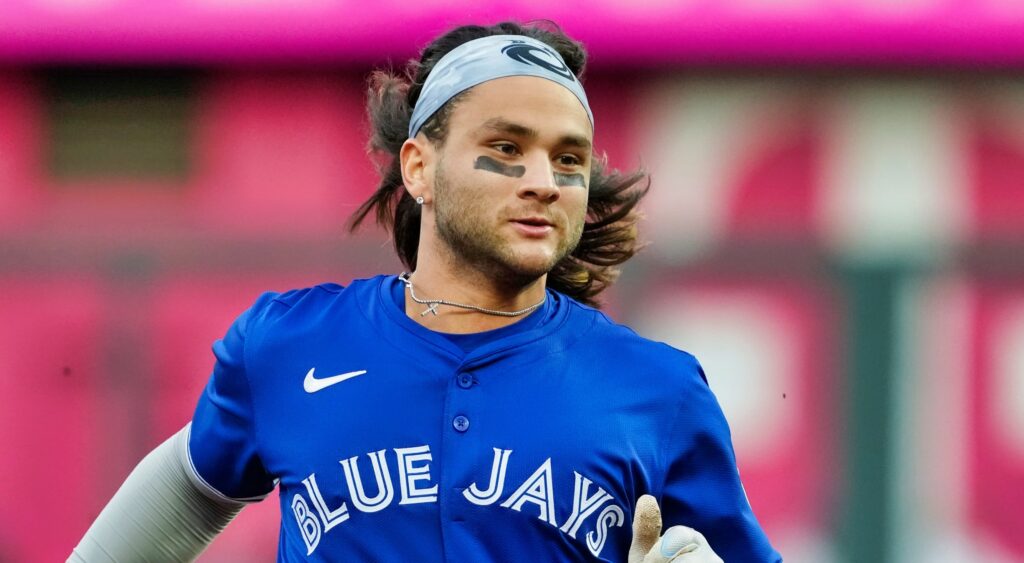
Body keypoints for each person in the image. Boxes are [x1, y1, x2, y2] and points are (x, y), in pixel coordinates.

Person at [70, 21, 781, 562]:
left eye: (567, 159)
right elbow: (192, 486)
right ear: (418, 166)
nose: (543, 178)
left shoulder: (658, 389)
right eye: (507, 147)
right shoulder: (289, 345)